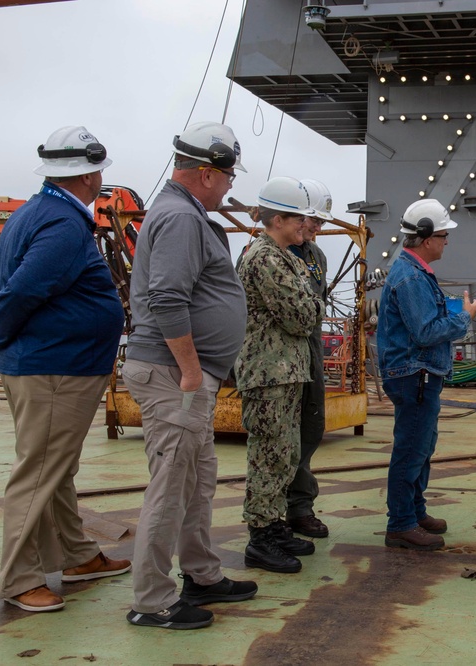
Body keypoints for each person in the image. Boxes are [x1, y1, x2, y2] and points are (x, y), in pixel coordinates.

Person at [0, 126, 130, 613]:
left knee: (54, 468)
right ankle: (19, 580)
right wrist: (0, 326)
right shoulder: (63, 223)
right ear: (88, 175)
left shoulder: (30, 214)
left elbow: (4, 283)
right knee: (39, 472)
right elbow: (25, 288)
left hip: (43, 363)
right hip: (57, 367)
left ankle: (77, 556)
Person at [123, 122, 256, 630]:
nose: (229, 186)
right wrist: (192, 370)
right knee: (171, 488)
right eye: (226, 177)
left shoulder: (185, 213)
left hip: (184, 375)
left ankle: (201, 575)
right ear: (205, 173)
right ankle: (152, 601)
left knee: (198, 482)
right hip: (173, 375)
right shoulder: (180, 217)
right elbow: (167, 297)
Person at [377, 199, 476, 550]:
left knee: (421, 446)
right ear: (426, 237)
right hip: (413, 373)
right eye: (444, 234)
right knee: (411, 448)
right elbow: (424, 331)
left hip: (419, 372)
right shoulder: (409, 277)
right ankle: (401, 523)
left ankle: (414, 512)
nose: (447, 241)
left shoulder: (414, 273)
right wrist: (464, 318)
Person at [235, 177, 324, 573]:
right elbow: (303, 316)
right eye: (299, 218)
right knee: (269, 456)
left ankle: (274, 525)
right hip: (269, 372)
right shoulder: (266, 258)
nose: (306, 226)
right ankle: (261, 536)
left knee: (285, 452)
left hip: (285, 370)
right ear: (279, 218)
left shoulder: (284, 255)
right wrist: (313, 304)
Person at [283, 178, 333, 539]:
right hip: (279, 361)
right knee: (277, 440)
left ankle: (300, 508)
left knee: (309, 431)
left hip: (310, 356)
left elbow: (316, 309)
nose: (317, 229)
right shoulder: (270, 253)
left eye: (320, 223)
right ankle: (271, 516)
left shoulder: (316, 256)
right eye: (313, 221)